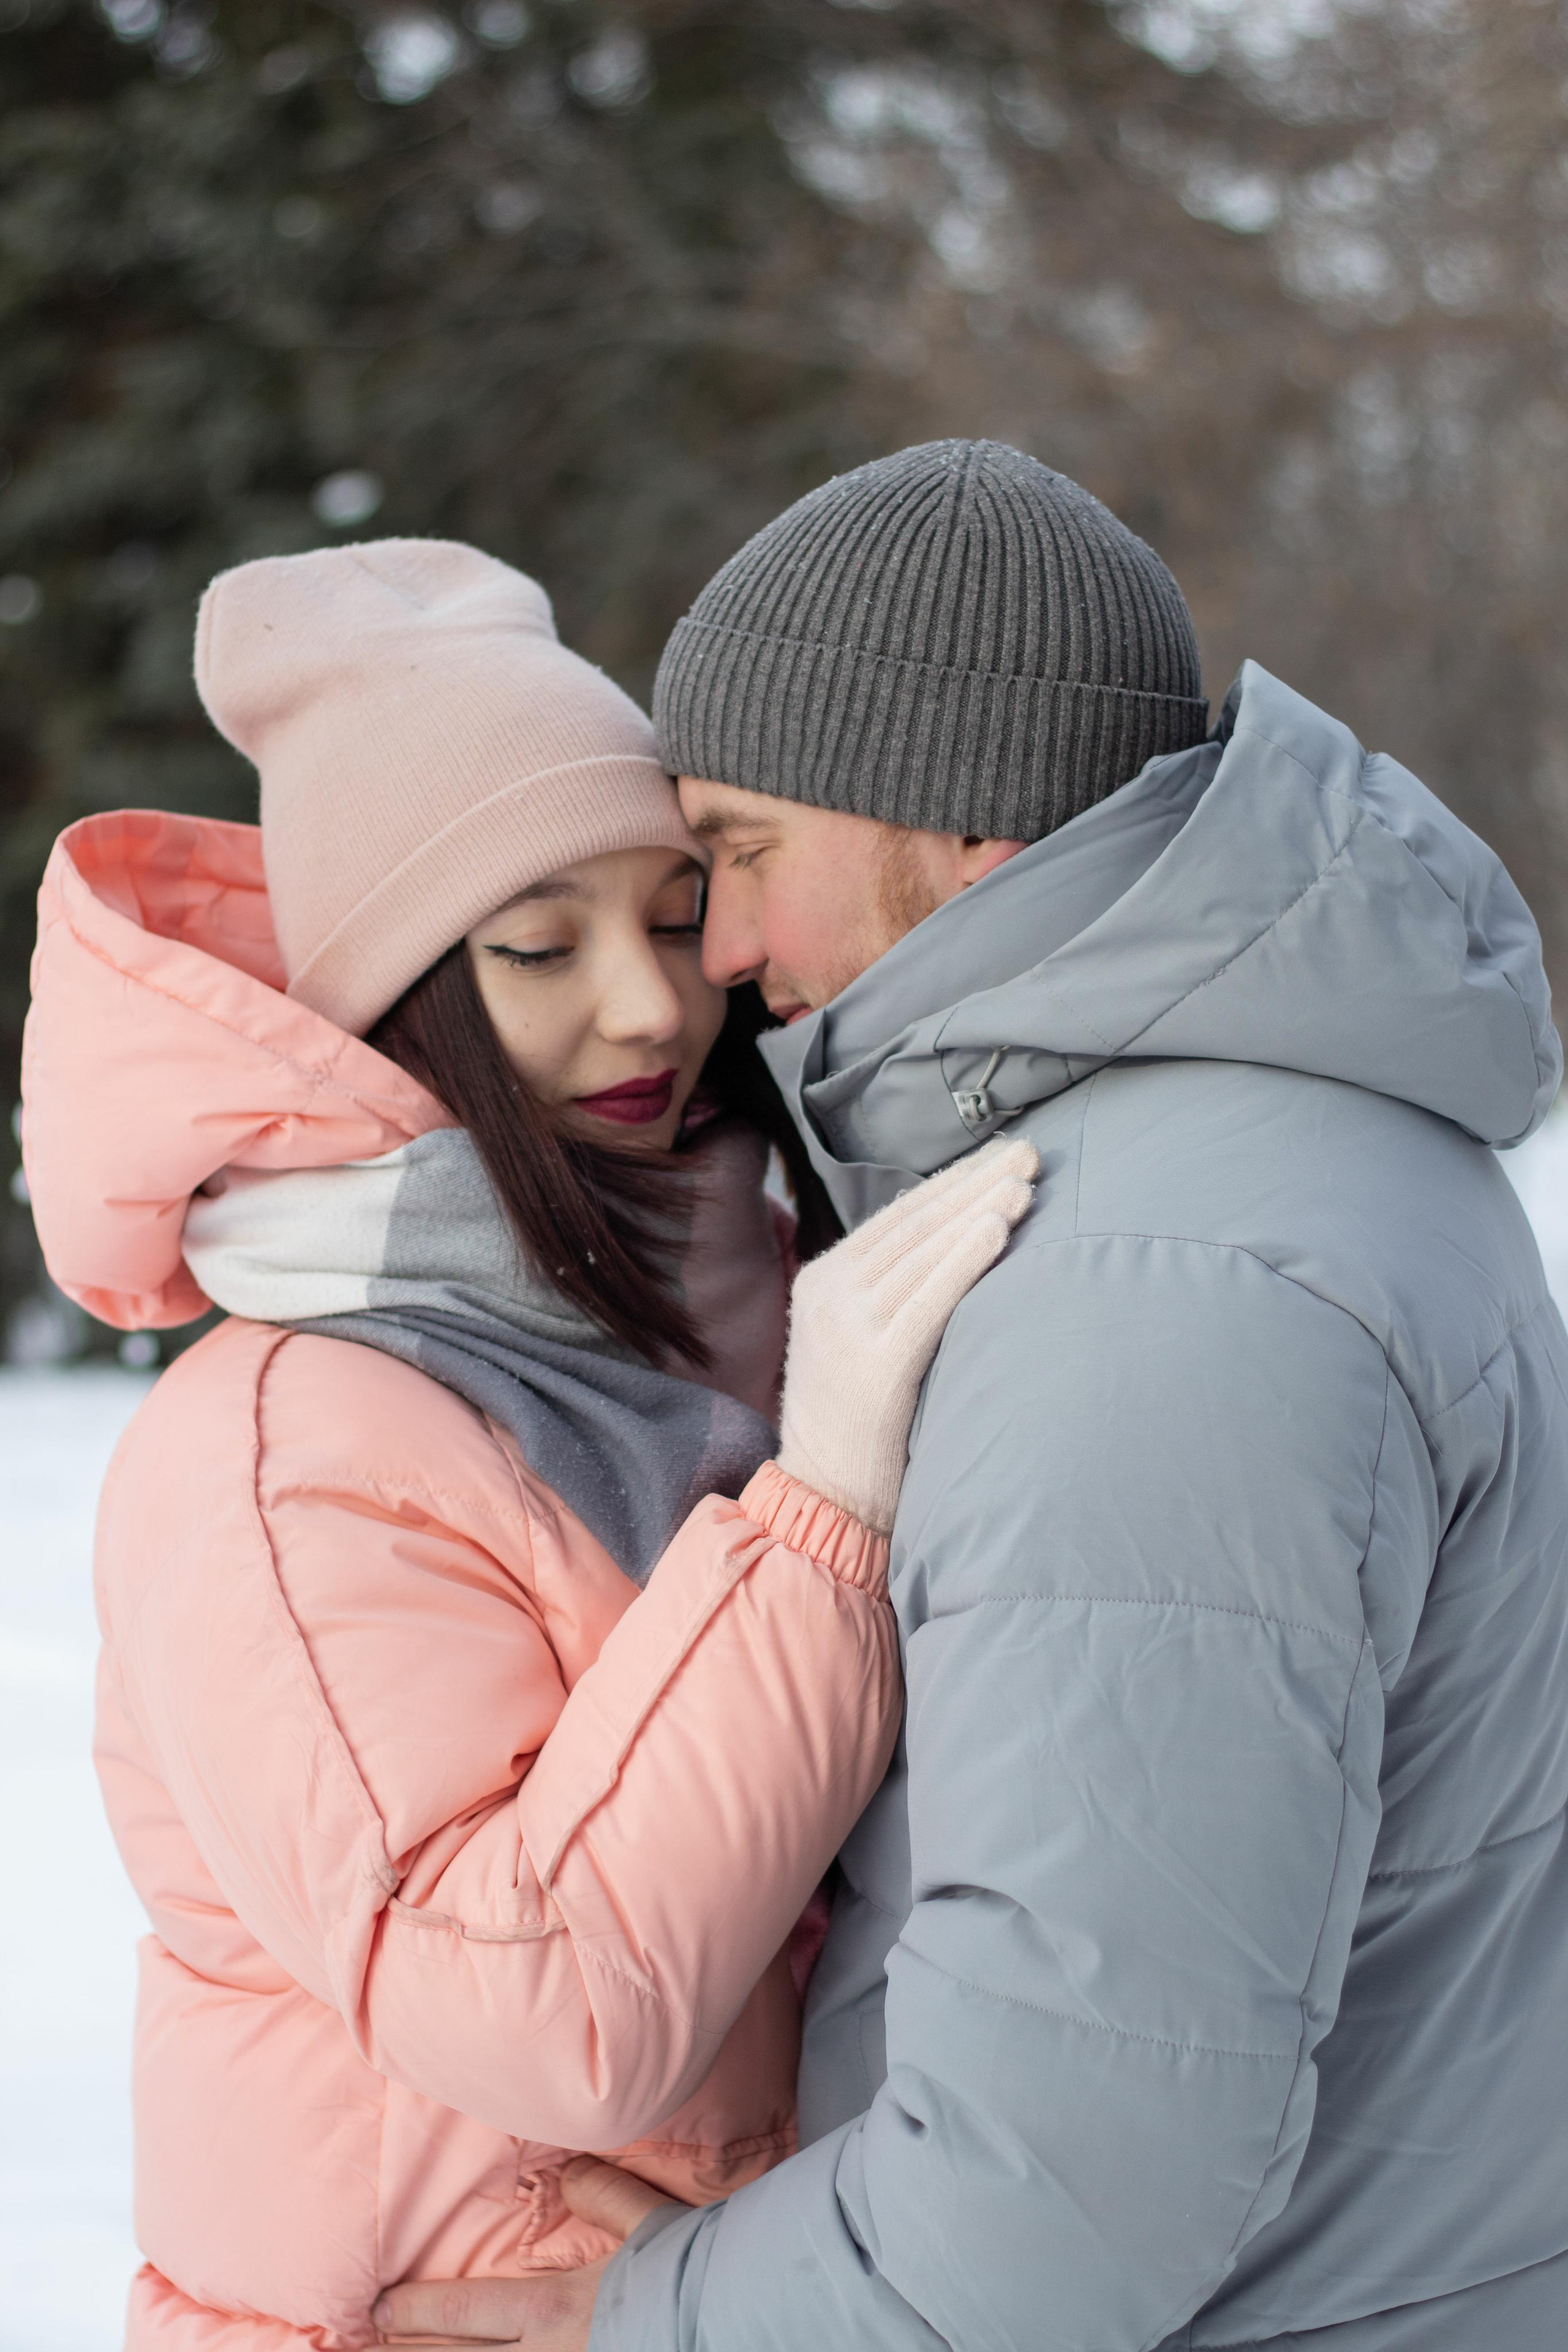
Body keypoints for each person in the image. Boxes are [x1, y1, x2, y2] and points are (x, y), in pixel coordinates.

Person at [381, 442, 1568, 2352]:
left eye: (745, 850)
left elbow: (1072, 2183)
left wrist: (658, 2322)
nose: (723, 956)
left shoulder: (1158, 1290)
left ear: (959, 824)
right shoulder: (1280, 1146)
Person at [18, 537, 1036, 2351]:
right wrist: (822, 1505)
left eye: (675, 915)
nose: (649, 1005)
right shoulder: (282, 1454)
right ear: (395, 996)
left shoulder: (743, 1286)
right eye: (541, 947)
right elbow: (540, 2004)